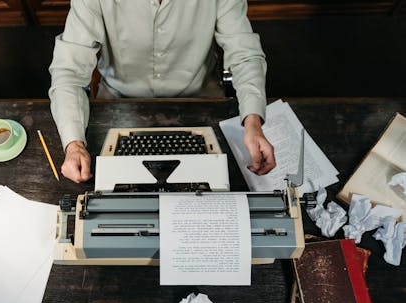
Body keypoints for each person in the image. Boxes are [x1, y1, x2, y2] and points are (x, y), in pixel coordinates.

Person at [49, 0, 276, 183]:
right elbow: (68, 71)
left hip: (201, 100)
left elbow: (245, 56)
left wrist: (253, 121)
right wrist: (74, 144)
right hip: (119, 103)